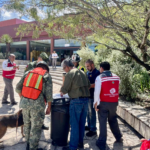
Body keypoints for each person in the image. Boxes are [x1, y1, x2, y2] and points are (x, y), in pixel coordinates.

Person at [16, 61, 53, 150]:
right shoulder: (46, 76)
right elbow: (49, 94)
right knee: (36, 128)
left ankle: (28, 145)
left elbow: (18, 88)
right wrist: (49, 107)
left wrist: (23, 98)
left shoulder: (28, 73)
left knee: (27, 125)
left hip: (24, 104)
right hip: (37, 106)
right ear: (46, 69)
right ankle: (33, 148)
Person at [60, 58, 90, 150]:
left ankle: (72, 147)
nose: (64, 70)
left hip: (76, 102)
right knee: (81, 123)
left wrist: (61, 91)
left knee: (74, 124)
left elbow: (64, 91)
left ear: (67, 67)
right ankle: (80, 143)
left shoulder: (70, 74)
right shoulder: (82, 72)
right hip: (85, 101)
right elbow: (88, 86)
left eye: (64, 68)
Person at [94, 62, 123, 150]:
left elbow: (97, 92)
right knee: (113, 119)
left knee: (102, 122)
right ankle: (118, 137)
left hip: (103, 103)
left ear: (101, 68)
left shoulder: (99, 78)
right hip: (114, 103)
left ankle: (102, 143)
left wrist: (95, 104)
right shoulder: (117, 77)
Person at [24, 52, 50, 130]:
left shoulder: (44, 66)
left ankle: (41, 123)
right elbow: (25, 77)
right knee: (31, 110)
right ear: (39, 58)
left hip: (40, 90)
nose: (45, 62)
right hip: (31, 90)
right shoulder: (31, 65)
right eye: (43, 60)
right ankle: (32, 125)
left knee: (42, 108)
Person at [85, 59, 100, 137]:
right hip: (87, 95)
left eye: (88, 66)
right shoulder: (88, 72)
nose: (87, 67)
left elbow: (96, 84)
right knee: (88, 112)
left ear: (92, 65)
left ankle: (93, 129)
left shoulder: (97, 73)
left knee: (92, 113)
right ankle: (89, 125)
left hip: (93, 96)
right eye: (86, 66)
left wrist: (89, 86)